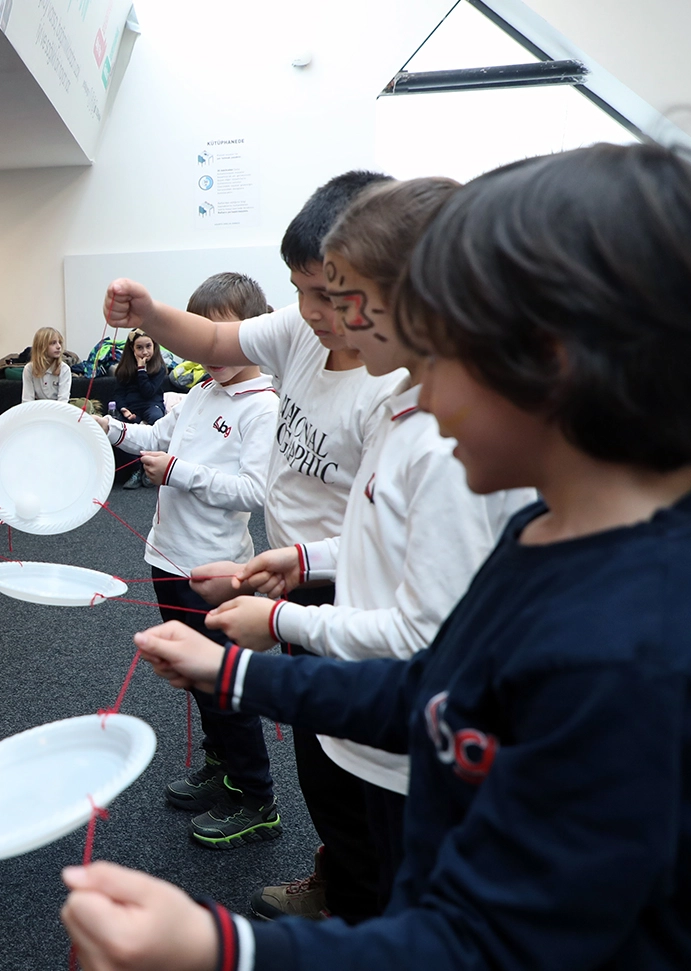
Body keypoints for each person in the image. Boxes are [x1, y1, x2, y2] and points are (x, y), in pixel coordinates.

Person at [64, 142, 691, 971]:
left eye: (439, 355)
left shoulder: (637, 654)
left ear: (552, 364)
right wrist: (235, 671)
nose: (413, 399)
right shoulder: (548, 534)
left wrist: (221, 948)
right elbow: (438, 688)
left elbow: (486, 945)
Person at [213, 178, 534, 904]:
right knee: (364, 859)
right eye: (323, 293)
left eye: (345, 296)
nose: (327, 318)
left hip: (413, 753)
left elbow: (425, 632)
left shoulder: (443, 437)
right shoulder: (398, 400)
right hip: (382, 723)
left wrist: (272, 625)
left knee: (403, 899)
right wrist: (301, 560)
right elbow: (381, 532)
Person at [109, 172, 404, 922]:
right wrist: (146, 310)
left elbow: (392, 551)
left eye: (331, 293)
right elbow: (210, 337)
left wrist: (289, 590)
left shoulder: (395, 388)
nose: (312, 312)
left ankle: (365, 902)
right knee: (322, 754)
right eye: (301, 289)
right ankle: (342, 876)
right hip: (295, 573)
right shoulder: (306, 333)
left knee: (367, 763)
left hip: (353, 589)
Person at [97, 271, 282, 850]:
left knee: (224, 683)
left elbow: (256, 491)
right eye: (201, 336)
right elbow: (156, 434)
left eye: (222, 335)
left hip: (217, 572)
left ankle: (257, 798)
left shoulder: (262, 406)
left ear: (252, 333)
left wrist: (179, 473)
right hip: (168, 560)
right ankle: (223, 768)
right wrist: (104, 427)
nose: (210, 350)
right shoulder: (202, 391)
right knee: (198, 679)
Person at [113, 328, 168, 425]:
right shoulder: (125, 369)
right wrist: (123, 408)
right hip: (131, 407)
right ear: (132, 348)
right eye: (139, 348)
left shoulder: (160, 368)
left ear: (154, 346)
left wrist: (141, 369)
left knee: (156, 418)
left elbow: (148, 392)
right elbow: (119, 393)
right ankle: (138, 422)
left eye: (148, 346)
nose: (145, 352)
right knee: (116, 424)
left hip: (151, 405)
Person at [22, 326, 72, 402]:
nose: (59, 346)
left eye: (60, 343)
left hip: (58, 410)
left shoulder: (64, 369)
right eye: (53, 343)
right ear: (41, 346)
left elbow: (63, 400)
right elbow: (27, 399)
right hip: (38, 409)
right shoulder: (29, 369)